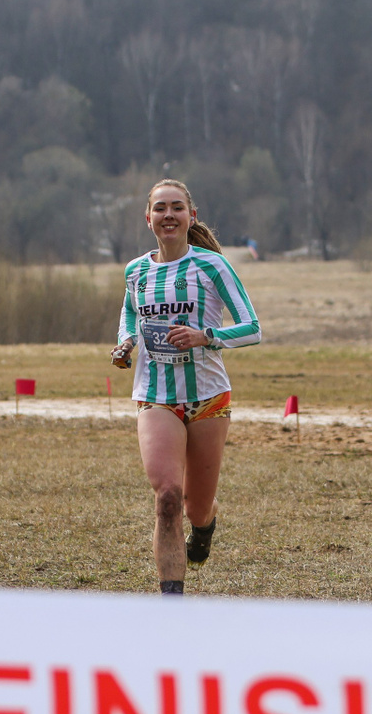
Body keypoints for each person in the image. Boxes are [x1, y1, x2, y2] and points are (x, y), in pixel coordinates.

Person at [111, 179, 261, 594]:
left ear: (191, 216)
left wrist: (204, 336)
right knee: (167, 498)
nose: (169, 215)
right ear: (148, 218)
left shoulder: (212, 266)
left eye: (177, 207)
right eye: (160, 208)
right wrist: (126, 343)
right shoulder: (136, 271)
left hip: (208, 398)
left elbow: (252, 328)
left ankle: (205, 526)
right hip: (155, 397)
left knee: (196, 508)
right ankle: (171, 605)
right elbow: (129, 314)